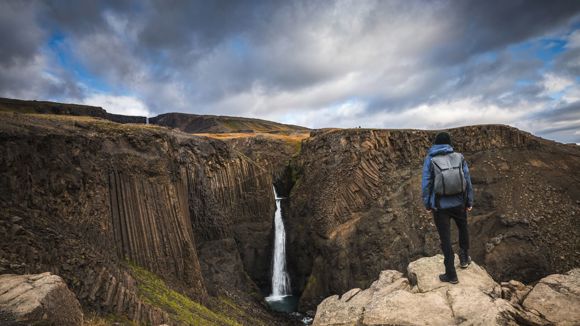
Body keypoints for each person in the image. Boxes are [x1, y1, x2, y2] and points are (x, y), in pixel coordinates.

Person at [421, 131, 474, 284]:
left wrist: (427, 204)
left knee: (445, 239)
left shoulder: (430, 159)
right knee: (463, 228)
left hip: (440, 206)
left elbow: (426, 183)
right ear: (449, 144)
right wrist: (469, 202)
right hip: (459, 202)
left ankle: (451, 274)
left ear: (435, 144)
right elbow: (467, 180)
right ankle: (464, 258)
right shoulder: (459, 157)